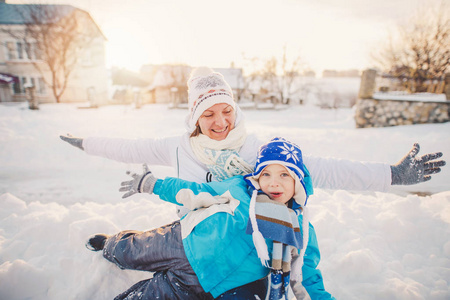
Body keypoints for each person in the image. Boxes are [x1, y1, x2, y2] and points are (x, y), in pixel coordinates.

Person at [60, 67, 445, 298]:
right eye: (208, 113)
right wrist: (86, 143)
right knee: (134, 249)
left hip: (240, 258)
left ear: (236, 110)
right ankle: (113, 245)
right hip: (188, 235)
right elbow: (126, 147)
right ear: (195, 116)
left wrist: (391, 175)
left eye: (227, 110)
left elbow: (321, 169)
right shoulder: (177, 148)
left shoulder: (261, 150)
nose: (220, 121)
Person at [86, 137, 335, 300]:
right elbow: (196, 192)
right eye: (266, 173)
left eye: (284, 174)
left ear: (298, 181)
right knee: (132, 250)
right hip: (181, 241)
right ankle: (110, 245)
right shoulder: (240, 190)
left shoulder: (299, 230)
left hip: (204, 282)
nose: (274, 182)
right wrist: (154, 184)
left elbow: (306, 276)